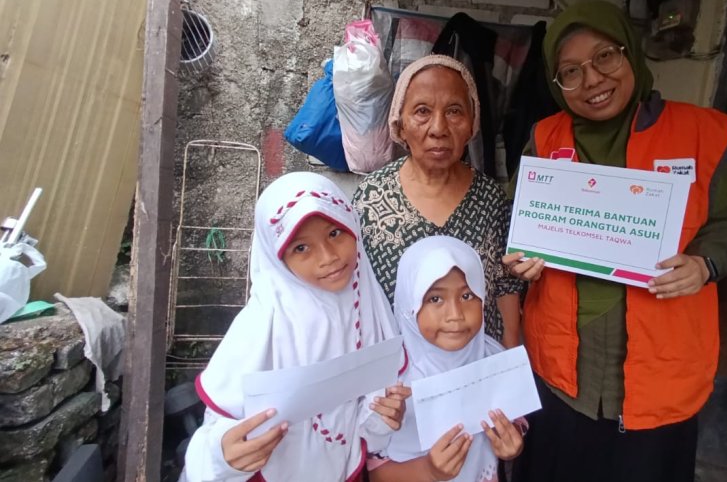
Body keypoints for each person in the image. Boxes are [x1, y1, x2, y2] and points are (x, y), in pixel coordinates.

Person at [504, 0, 727, 482]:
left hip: (660, 371)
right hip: (562, 373)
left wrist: (704, 265)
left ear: (630, 53)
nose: (592, 79)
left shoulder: (698, 133)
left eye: (605, 57)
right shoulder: (545, 138)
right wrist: (523, 255)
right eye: (570, 71)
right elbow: (520, 222)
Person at [181, 172, 410, 482]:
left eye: (335, 233)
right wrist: (223, 455)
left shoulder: (364, 299)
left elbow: (363, 406)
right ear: (277, 258)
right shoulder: (263, 323)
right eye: (301, 248)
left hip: (344, 469)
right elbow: (217, 435)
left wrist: (380, 415)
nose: (328, 257)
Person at [353, 55, 523, 348]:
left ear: (472, 124)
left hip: (477, 362)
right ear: (400, 124)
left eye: (454, 111)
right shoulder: (371, 197)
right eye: (422, 111)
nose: (438, 128)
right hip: (399, 366)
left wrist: (509, 356)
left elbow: (505, 286)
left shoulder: (491, 199)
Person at [368, 236, 524, 482]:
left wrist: (511, 445)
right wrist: (429, 471)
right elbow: (376, 473)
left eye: (467, 296)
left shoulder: (493, 358)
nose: (455, 315)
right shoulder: (391, 381)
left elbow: (515, 423)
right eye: (435, 299)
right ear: (409, 306)